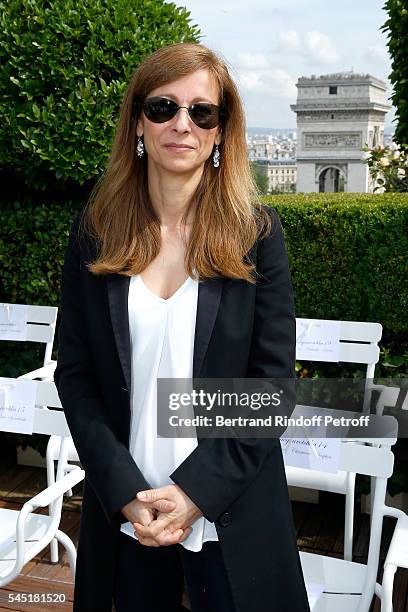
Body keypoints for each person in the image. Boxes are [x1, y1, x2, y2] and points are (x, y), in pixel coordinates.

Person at [54, 42, 311, 612]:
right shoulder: (94, 232)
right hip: (127, 515)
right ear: (138, 123)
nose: (183, 124)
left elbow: (271, 387)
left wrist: (195, 493)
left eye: (202, 111)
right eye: (163, 106)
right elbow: (75, 376)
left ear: (221, 131)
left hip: (231, 516)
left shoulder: (256, 234)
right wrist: (124, 492)